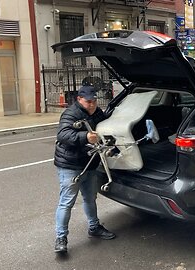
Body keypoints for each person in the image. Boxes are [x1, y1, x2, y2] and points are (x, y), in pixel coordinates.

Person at [54, 85, 115, 253]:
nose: (92, 105)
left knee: (90, 198)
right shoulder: (71, 113)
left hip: (89, 163)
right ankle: (61, 238)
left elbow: (106, 121)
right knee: (66, 203)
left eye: (94, 101)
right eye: (88, 102)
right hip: (70, 165)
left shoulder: (96, 112)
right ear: (79, 99)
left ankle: (94, 227)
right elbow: (63, 135)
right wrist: (85, 136)